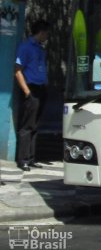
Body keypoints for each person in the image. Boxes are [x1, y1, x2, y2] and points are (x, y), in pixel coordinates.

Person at [14, 19, 50, 172]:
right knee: (27, 125)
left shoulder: (41, 49)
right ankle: (22, 159)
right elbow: (17, 71)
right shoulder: (26, 47)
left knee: (35, 125)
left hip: (41, 88)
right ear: (41, 33)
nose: (47, 36)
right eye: (47, 33)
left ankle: (31, 157)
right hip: (31, 89)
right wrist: (27, 92)